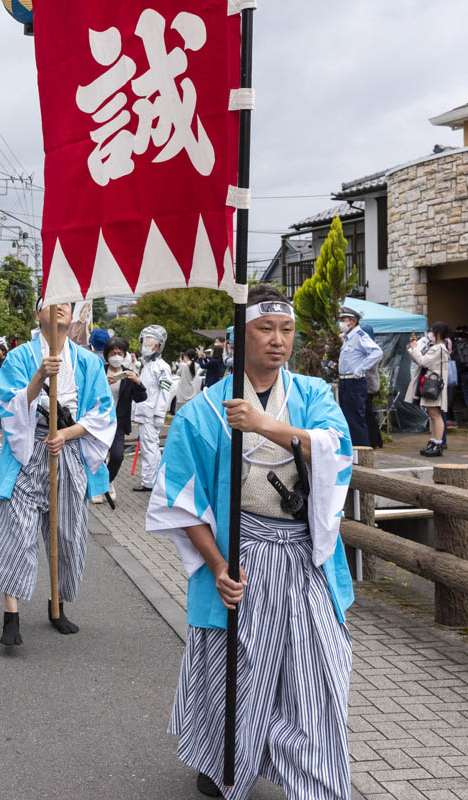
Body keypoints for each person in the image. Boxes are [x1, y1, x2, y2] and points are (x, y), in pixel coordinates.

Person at [146, 285, 355, 800]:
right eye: (265, 329)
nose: (278, 340)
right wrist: (216, 565)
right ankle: (222, 759)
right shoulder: (203, 411)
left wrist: (265, 425)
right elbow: (181, 497)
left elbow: (339, 447)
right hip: (241, 552)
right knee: (234, 668)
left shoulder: (312, 395)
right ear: (240, 338)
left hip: (306, 554)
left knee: (317, 670)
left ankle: (315, 780)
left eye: (286, 330)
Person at [0, 301, 115, 645]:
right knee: (17, 532)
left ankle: (57, 605)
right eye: (50, 303)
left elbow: (104, 412)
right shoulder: (18, 358)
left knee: (68, 534)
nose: (59, 308)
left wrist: (68, 434)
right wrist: (39, 377)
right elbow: (8, 408)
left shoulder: (88, 361)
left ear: (72, 316)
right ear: (37, 314)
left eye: (65, 304)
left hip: (68, 449)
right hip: (28, 451)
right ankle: (10, 615)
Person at [103, 337, 146, 502]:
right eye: (112, 353)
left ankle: (107, 482)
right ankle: (97, 487)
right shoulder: (99, 371)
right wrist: (101, 384)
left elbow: (141, 398)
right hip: (99, 421)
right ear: (106, 355)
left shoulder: (129, 374)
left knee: (117, 455)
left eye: (119, 353)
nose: (116, 356)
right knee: (97, 456)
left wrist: (137, 382)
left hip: (119, 422)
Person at [131, 325, 172, 492]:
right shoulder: (146, 365)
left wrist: (159, 414)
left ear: (158, 346)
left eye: (151, 342)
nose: (146, 345)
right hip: (144, 413)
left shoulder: (162, 367)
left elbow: (165, 392)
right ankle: (152, 479)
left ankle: (150, 482)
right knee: (149, 448)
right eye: (145, 341)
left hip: (151, 414)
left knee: (150, 448)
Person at [336, 305, 383, 448]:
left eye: (344, 319)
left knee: (356, 418)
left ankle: (361, 450)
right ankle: (352, 449)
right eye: (341, 319)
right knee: (347, 417)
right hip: (345, 382)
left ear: (353, 321)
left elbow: (377, 352)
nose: (342, 322)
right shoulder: (349, 338)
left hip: (354, 381)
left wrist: (360, 369)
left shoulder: (360, 335)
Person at [405, 322, 452, 457]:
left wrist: (415, 348)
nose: (429, 334)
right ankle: (433, 441)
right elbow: (421, 360)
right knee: (432, 415)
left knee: (435, 415)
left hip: (433, 384)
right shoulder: (436, 347)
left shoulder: (438, 348)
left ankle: (438, 443)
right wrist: (413, 349)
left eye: (431, 331)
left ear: (437, 332)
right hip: (431, 383)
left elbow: (423, 361)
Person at [360, 323, 384, 449]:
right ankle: (375, 440)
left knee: (368, 414)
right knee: (369, 413)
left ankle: (374, 440)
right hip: (370, 385)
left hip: (368, 385)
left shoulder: (371, 349)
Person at [173, 348, 199, 413]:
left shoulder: (183, 365)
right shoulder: (197, 365)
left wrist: (181, 362)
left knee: (180, 412)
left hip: (182, 392)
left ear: (186, 356)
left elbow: (178, 373)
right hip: (192, 392)